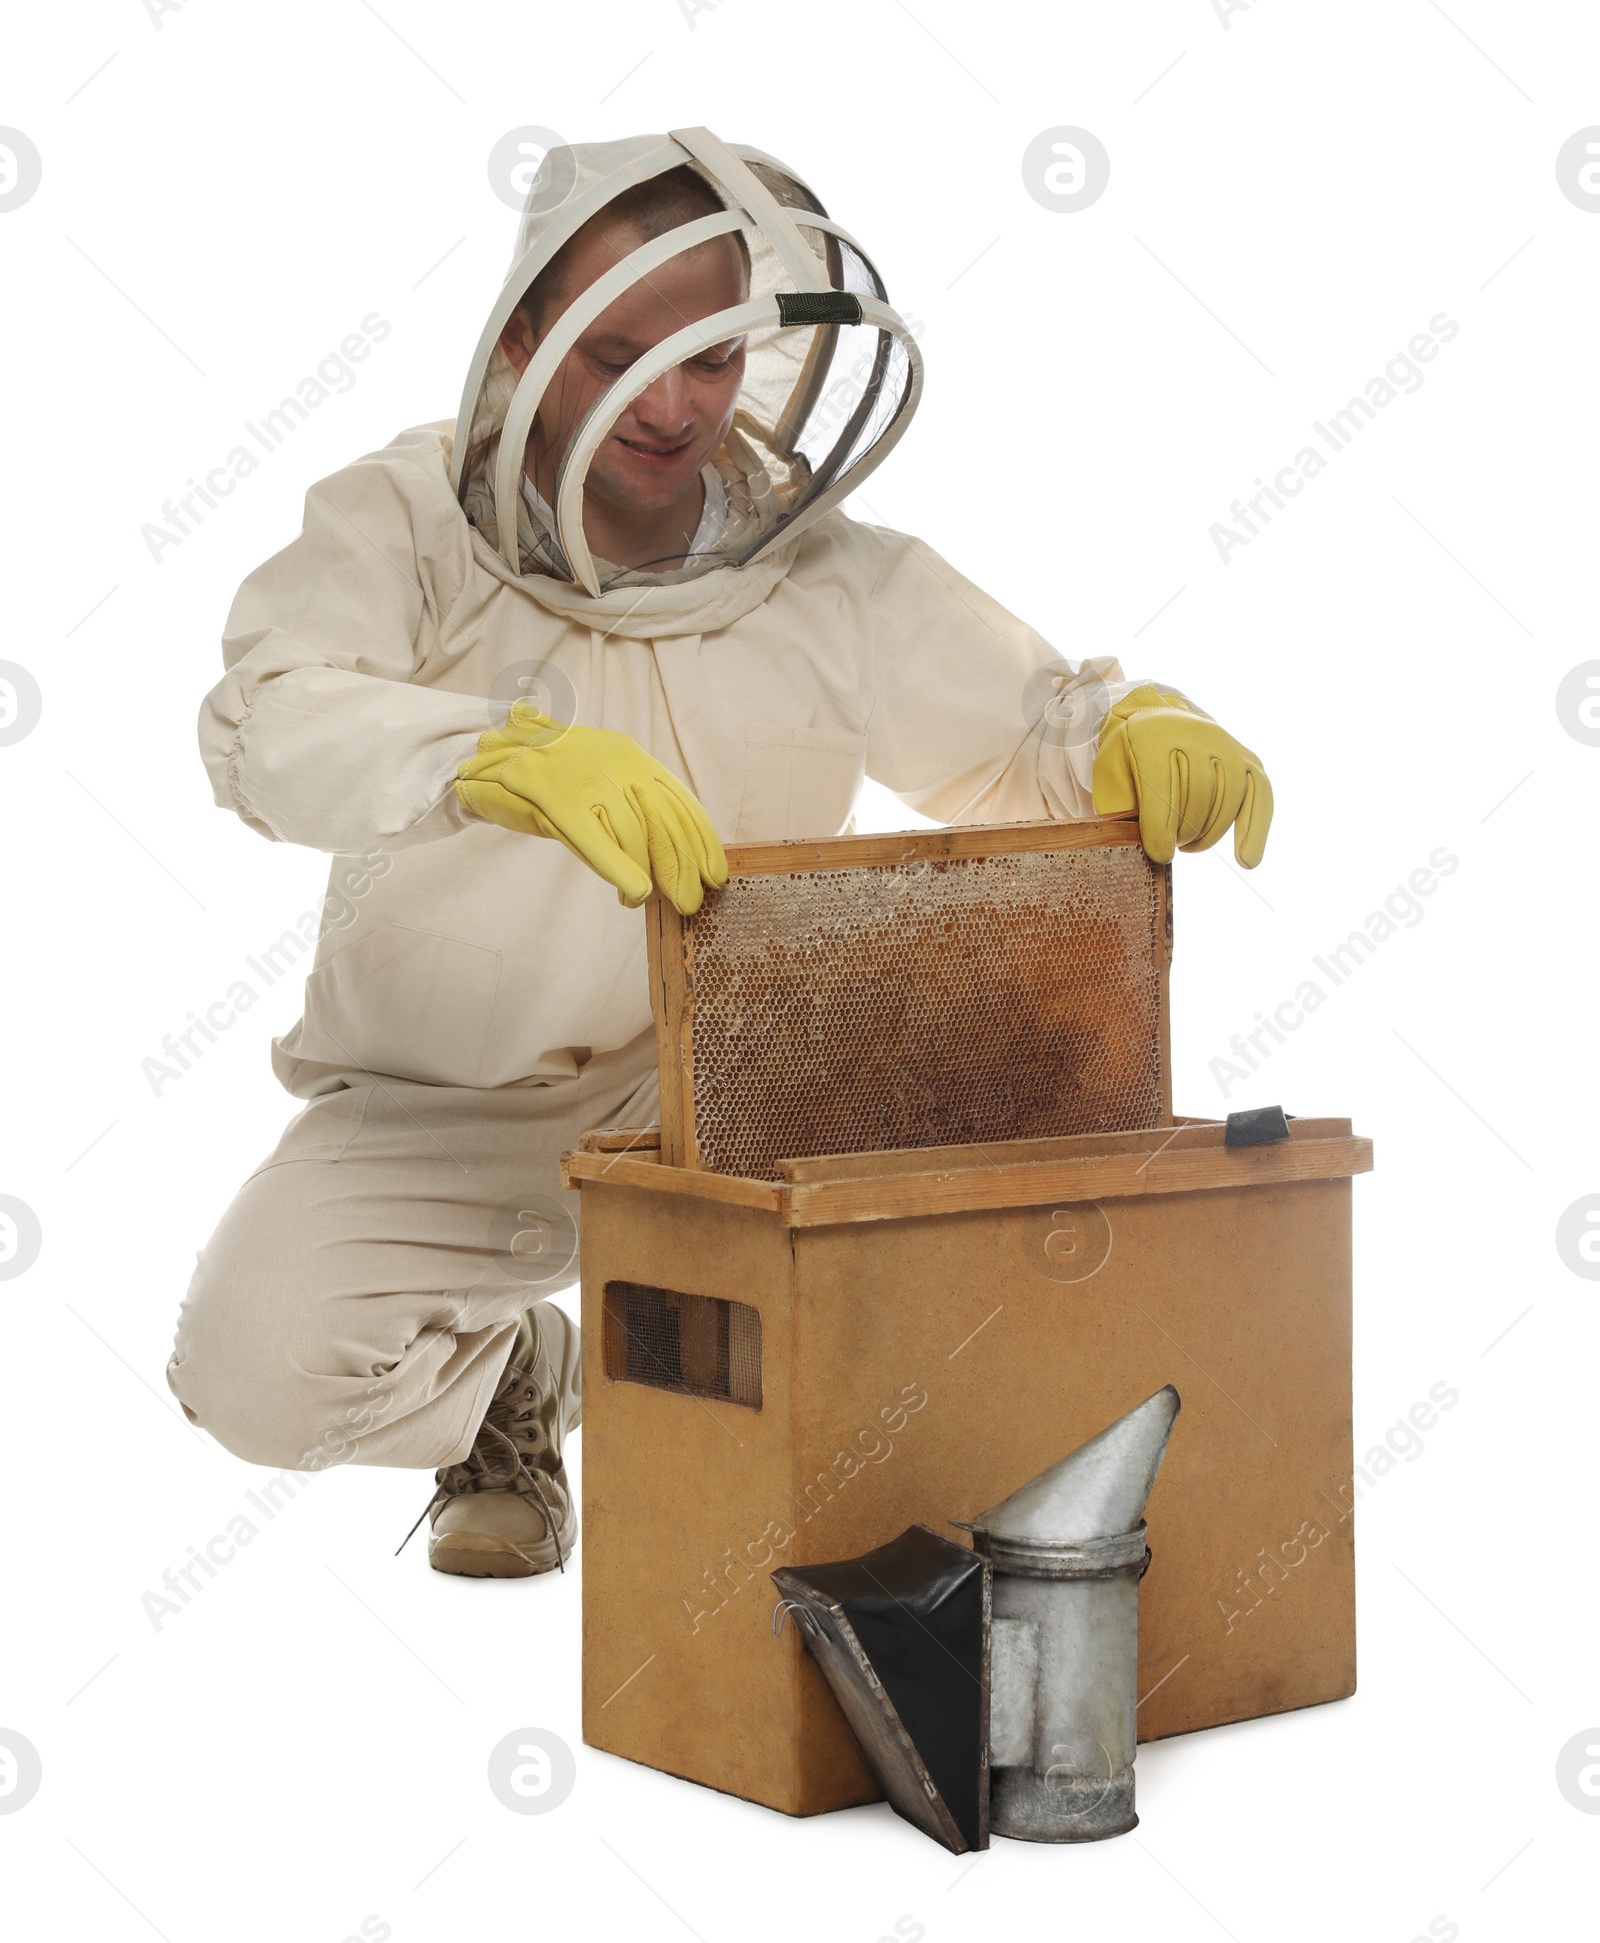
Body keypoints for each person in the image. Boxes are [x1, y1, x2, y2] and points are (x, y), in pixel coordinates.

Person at [166, 128, 1272, 1580]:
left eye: (703, 357)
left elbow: (1030, 728)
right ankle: (509, 1384)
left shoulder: (826, 571)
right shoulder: (404, 521)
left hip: (758, 1082)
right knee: (257, 1375)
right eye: (615, 351)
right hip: (449, 1103)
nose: (669, 403)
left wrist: (1141, 727)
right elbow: (262, 722)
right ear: (519, 344)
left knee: (917, 1360)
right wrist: (476, 756)